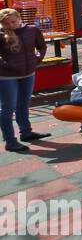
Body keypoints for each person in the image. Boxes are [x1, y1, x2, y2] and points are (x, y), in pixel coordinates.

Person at [0, 8, 48, 152]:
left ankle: (26, 132)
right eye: (7, 24)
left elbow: (42, 47)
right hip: (7, 77)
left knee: (24, 104)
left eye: (13, 21)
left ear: (19, 18)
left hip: (28, 74)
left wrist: (37, 60)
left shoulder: (32, 30)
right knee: (8, 108)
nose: (11, 25)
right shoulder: (1, 35)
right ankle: (10, 141)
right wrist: (6, 65)